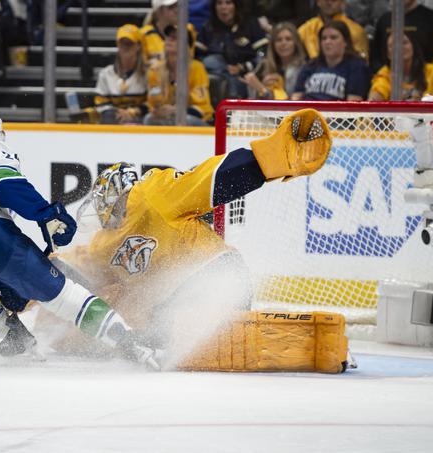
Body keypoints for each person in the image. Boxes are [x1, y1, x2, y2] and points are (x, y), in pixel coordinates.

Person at [47, 108, 332, 353]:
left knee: (152, 335)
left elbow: (209, 179)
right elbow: (79, 271)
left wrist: (269, 158)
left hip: (218, 276)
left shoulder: (152, 192)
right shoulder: (104, 244)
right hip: (182, 297)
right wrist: (29, 284)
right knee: (137, 333)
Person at [0, 102, 161, 367]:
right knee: (63, 297)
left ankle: (11, 333)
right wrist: (47, 214)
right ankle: (127, 341)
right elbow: (6, 187)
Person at [196, 0, 267, 99]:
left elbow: (263, 55)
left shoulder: (250, 24)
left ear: (236, 6)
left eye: (228, 3)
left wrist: (242, 67)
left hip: (246, 77)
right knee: (211, 60)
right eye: (219, 3)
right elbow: (197, 57)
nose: (223, 7)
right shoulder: (208, 26)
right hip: (216, 76)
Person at [144, 25, 213, 126]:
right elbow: (151, 103)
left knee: (185, 120)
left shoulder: (196, 68)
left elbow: (202, 108)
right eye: (168, 36)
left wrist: (176, 110)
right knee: (149, 119)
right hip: (167, 118)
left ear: (186, 45)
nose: (169, 40)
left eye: (175, 38)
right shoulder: (156, 69)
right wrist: (157, 110)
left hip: (195, 119)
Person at [292, 20, 370, 101]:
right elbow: (296, 97)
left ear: (345, 42)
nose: (327, 42)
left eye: (333, 37)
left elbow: (354, 102)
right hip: (308, 112)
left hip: (338, 112)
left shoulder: (357, 66)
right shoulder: (310, 65)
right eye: (323, 38)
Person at [93, 24, 147, 125]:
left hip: (140, 121)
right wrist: (119, 113)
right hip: (115, 120)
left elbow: (152, 103)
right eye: (122, 43)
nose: (125, 47)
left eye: (130, 43)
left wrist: (132, 112)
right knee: (108, 116)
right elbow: (101, 104)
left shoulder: (148, 73)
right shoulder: (105, 74)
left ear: (138, 46)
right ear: (117, 45)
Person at [372, 0, 433, 70]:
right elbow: (376, 58)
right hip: (389, 78)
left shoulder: (432, 20)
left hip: (425, 78)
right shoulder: (384, 20)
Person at [242, 21, 307, 99]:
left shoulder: (305, 69)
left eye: (288, 39)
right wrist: (261, 87)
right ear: (273, 45)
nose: (283, 43)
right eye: (279, 40)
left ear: (296, 43)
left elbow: (293, 103)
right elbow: (251, 99)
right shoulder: (263, 66)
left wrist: (263, 90)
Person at [368, 31, 433, 101]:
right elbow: (378, 90)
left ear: (413, 47)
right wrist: (375, 97)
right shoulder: (384, 74)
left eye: (404, 43)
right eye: (393, 45)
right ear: (388, 54)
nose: (400, 48)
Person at [297, 0, 369, 60]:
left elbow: (362, 63)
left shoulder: (356, 31)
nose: (329, 2)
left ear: (342, 2)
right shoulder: (305, 29)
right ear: (318, 2)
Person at [140, 0, 197, 65]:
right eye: (171, 7)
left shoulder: (188, 30)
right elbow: (142, 67)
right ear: (158, 11)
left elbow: (188, 60)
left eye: (177, 5)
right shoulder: (143, 34)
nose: (176, 10)